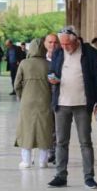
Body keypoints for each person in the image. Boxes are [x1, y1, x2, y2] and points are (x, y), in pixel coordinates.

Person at [47, 26, 97, 190]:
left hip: (82, 104)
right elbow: (52, 71)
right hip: (61, 103)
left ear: (76, 39)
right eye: (62, 44)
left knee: (85, 142)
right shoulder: (59, 52)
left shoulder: (89, 53)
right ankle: (60, 176)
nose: (65, 47)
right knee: (60, 141)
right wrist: (52, 78)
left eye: (67, 44)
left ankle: (89, 177)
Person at [15, 38, 54, 169]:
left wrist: (22, 97)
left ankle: (26, 161)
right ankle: (43, 161)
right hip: (45, 101)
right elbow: (53, 86)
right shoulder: (49, 65)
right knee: (44, 130)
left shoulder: (24, 64)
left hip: (27, 101)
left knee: (27, 130)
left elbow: (17, 85)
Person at [44, 33, 60, 163]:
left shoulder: (62, 59)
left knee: (58, 127)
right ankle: (48, 151)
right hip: (43, 98)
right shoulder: (40, 60)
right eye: (50, 42)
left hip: (59, 97)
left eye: (55, 42)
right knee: (47, 126)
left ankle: (55, 153)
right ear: (45, 43)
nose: (52, 45)